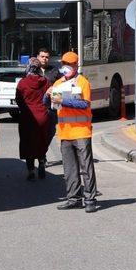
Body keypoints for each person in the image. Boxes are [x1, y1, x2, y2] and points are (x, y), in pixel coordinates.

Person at [46, 51, 98, 213]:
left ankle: (90, 200)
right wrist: (47, 95)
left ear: (76, 66)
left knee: (86, 168)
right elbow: (47, 104)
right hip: (65, 133)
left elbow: (84, 104)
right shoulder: (58, 83)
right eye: (63, 64)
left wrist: (63, 100)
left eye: (69, 64)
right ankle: (73, 199)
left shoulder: (83, 82)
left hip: (81, 132)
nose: (65, 67)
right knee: (69, 169)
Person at [15, 57, 51, 181]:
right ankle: (41, 162)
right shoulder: (45, 81)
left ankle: (31, 171)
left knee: (28, 142)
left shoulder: (22, 83)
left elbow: (18, 100)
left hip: (27, 117)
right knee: (41, 140)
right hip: (42, 116)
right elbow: (49, 98)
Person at [36, 48, 61, 165]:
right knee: (39, 132)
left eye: (46, 57)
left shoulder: (54, 71)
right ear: (38, 57)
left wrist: (57, 106)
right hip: (37, 107)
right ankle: (41, 155)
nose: (44, 59)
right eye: (42, 56)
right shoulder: (33, 71)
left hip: (51, 108)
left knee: (51, 131)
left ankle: (42, 152)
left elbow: (59, 87)